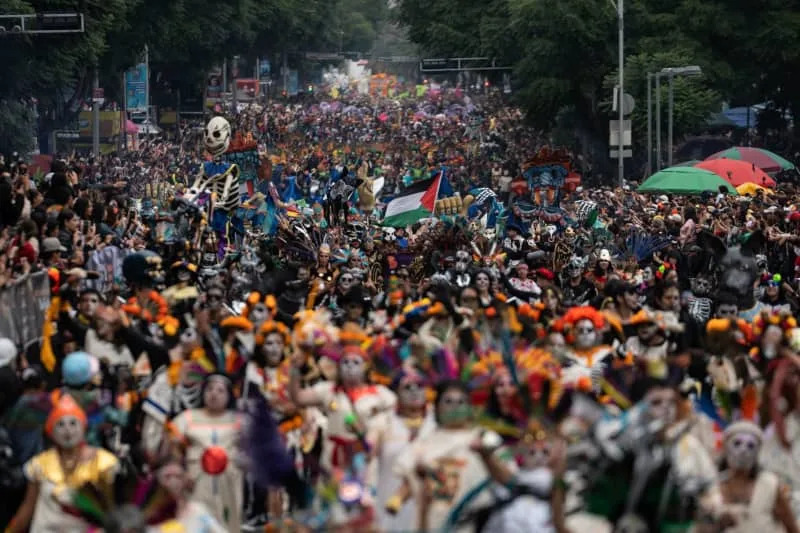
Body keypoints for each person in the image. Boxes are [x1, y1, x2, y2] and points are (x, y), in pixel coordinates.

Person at [7, 395, 119, 532]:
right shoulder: (39, 464)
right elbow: (27, 508)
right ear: (51, 432)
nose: (67, 430)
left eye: (73, 423)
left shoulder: (104, 462)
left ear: (83, 427)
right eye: (60, 424)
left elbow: (113, 511)